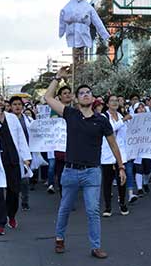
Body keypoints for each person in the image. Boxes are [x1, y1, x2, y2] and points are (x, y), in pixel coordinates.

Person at [45, 67, 126, 259]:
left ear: (93, 97)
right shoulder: (70, 114)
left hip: (92, 172)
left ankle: (96, 246)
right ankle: (59, 238)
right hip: (71, 171)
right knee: (65, 208)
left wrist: (121, 166)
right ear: (76, 98)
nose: (85, 95)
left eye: (88, 92)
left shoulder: (101, 120)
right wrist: (57, 79)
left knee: (93, 210)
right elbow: (48, 98)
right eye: (81, 93)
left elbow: (114, 145)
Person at [0, 92, 31, 236]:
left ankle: (11, 216)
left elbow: (21, 139)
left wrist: (26, 157)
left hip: (13, 160)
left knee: (14, 192)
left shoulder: (12, 118)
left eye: (1, 100)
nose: (0, 102)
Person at [101, 95, 131, 217]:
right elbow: (109, 129)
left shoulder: (121, 116)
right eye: (112, 101)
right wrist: (123, 121)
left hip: (121, 155)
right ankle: (108, 207)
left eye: (116, 101)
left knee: (122, 181)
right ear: (107, 104)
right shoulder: (104, 117)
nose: (115, 103)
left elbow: (125, 135)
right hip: (107, 155)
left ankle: (122, 204)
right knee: (107, 182)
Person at [10, 96, 33, 211]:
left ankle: (25, 201)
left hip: (26, 153)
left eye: (19, 104)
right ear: (10, 106)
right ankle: (12, 202)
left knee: (24, 180)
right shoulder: (7, 120)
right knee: (13, 180)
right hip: (12, 154)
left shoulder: (28, 120)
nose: (17, 106)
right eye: (14, 104)